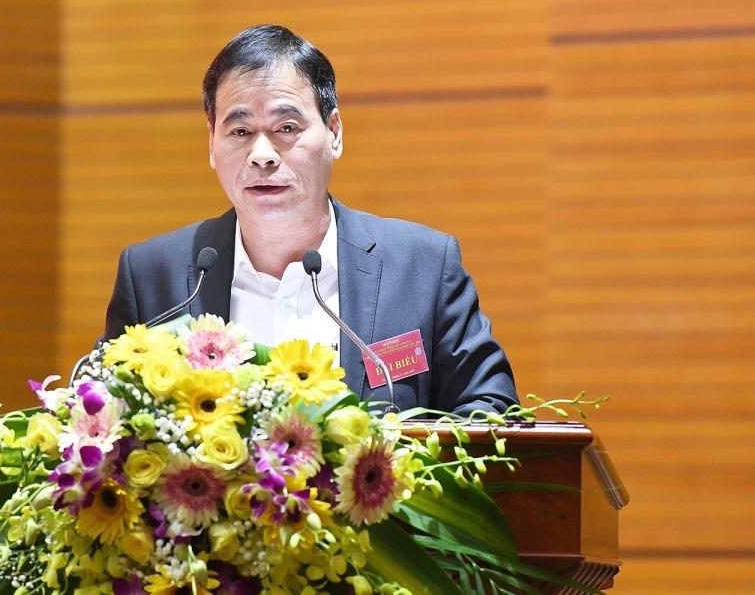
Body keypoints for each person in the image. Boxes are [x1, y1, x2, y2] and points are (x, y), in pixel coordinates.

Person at [102, 25, 518, 415]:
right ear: (212, 143)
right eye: (240, 131)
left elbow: (491, 409)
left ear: (334, 132)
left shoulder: (421, 268)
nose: (261, 155)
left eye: (286, 127)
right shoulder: (154, 277)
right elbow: (100, 416)